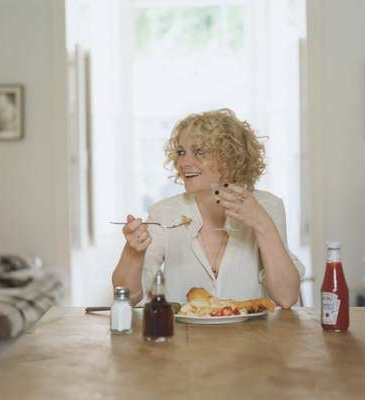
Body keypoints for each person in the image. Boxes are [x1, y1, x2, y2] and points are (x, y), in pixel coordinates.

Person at [112, 108, 304, 307]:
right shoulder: (165, 213)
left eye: (199, 151)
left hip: (253, 337)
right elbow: (129, 297)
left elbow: (286, 297)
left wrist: (263, 225)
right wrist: (132, 253)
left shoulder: (267, 206)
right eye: (181, 152)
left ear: (231, 158)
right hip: (184, 337)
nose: (184, 162)